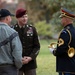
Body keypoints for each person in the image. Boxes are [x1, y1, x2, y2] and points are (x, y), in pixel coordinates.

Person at [14, 8, 40, 75]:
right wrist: (18, 59)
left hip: (30, 64)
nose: (25, 19)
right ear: (17, 18)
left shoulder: (32, 29)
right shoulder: (12, 30)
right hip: (17, 63)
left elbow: (37, 46)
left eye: (26, 16)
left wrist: (30, 58)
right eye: (22, 17)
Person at [49, 8, 75, 75]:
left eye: (62, 18)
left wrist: (53, 51)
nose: (61, 20)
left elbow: (61, 50)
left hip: (66, 67)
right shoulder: (73, 31)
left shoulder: (65, 32)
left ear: (66, 19)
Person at [0, 9, 23, 75]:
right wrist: (19, 65)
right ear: (7, 18)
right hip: (8, 69)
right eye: (10, 17)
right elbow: (17, 53)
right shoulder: (12, 33)